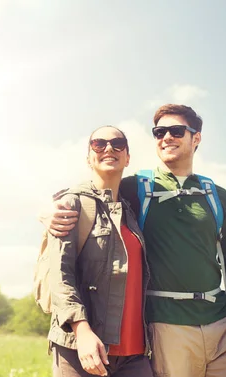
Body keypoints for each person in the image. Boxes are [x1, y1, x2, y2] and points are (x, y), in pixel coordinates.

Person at [46, 105, 226, 377]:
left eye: (176, 131)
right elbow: (93, 190)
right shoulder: (136, 188)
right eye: (159, 132)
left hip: (222, 324)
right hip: (166, 326)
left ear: (196, 138)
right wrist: (49, 210)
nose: (166, 137)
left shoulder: (216, 196)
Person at [46, 125, 154, 377]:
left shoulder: (132, 210)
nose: (108, 148)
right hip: (80, 350)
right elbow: (60, 276)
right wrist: (81, 331)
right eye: (99, 144)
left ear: (127, 158)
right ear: (88, 157)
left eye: (118, 144)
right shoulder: (73, 203)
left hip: (134, 355)